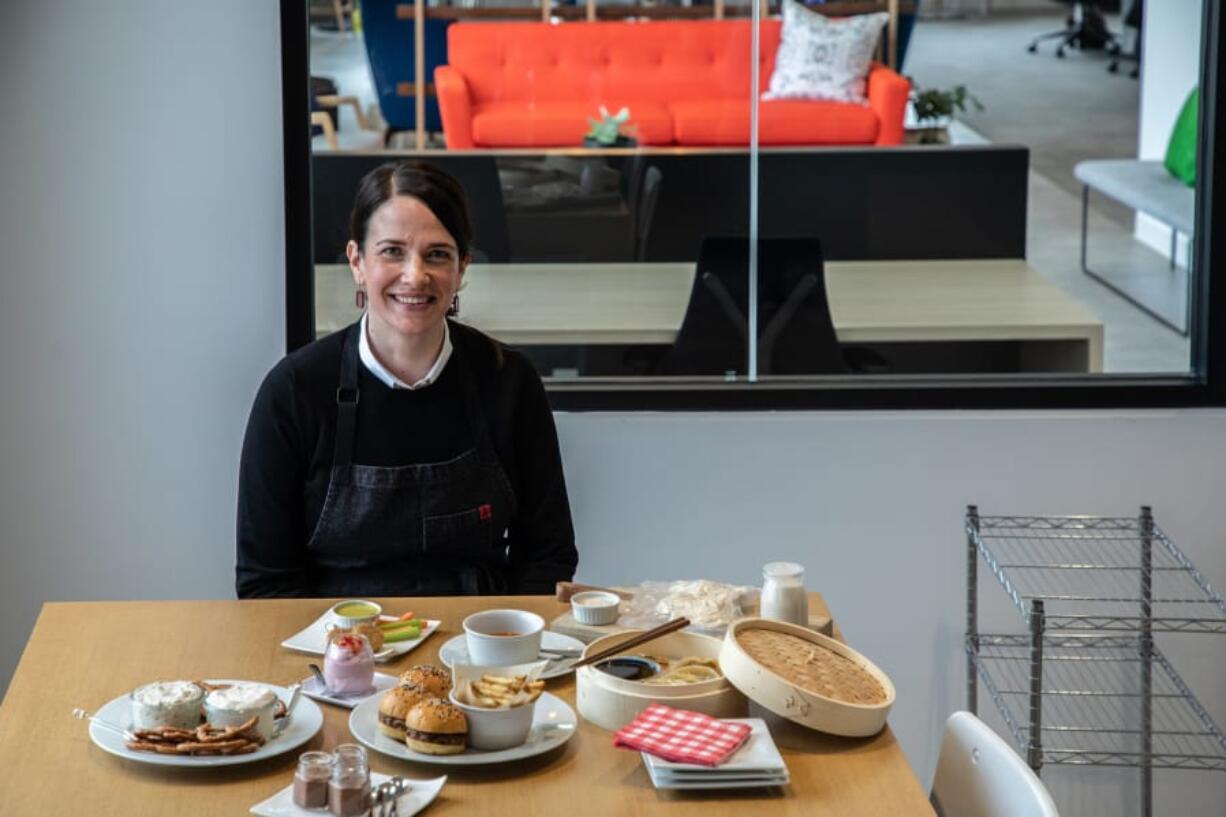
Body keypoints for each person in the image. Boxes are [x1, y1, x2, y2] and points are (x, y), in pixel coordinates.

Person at [236, 161, 577, 598]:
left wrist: (505, 648)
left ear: (463, 267)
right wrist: (343, 660)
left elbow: (548, 557)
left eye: (437, 254)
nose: (415, 276)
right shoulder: (294, 391)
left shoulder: (508, 381)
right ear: (357, 261)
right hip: (333, 649)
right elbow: (264, 583)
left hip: (477, 646)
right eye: (392, 251)